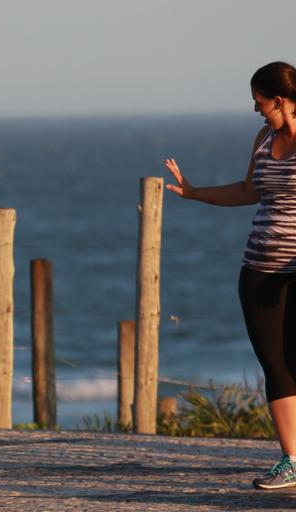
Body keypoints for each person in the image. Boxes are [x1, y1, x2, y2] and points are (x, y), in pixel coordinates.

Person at [164, 61, 296, 489]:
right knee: (275, 364)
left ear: (279, 100)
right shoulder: (264, 138)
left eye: (260, 103)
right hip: (258, 271)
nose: (256, 111)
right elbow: (249, 190)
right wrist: (194, 192)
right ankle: (292, 459)